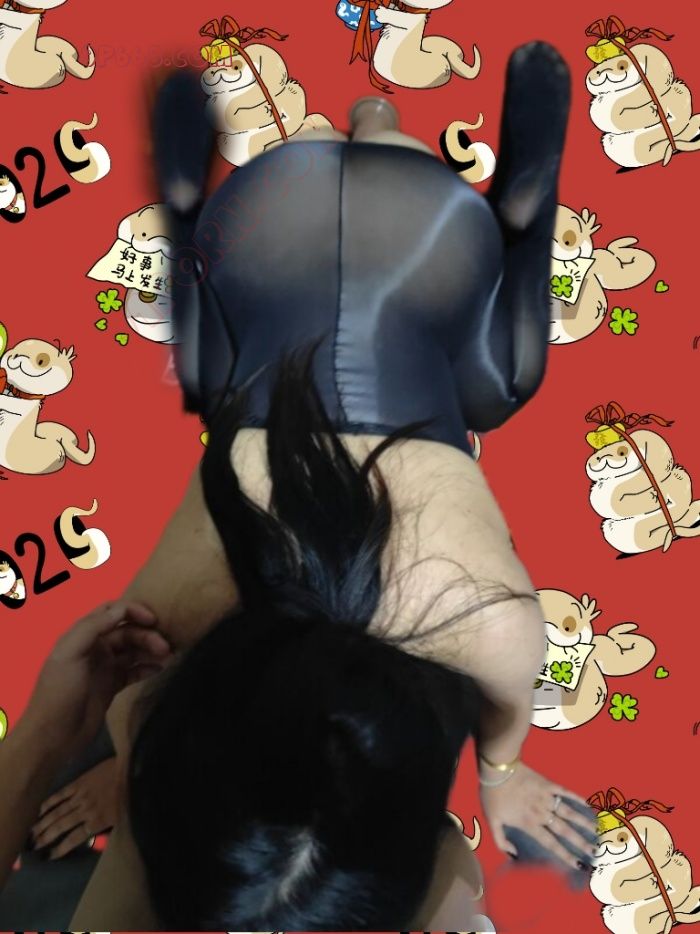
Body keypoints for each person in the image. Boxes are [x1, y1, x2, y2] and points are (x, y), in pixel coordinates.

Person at [10, 40, 598, 930]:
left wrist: (500, 777)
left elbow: (491, 752)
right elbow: (135, 720)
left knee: (503, 380)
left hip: (430, 239)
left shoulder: (493, 628)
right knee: (217, 378)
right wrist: (99, 759)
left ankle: (513, 213)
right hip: (266, 230)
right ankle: (188, 223)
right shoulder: (167, 632)